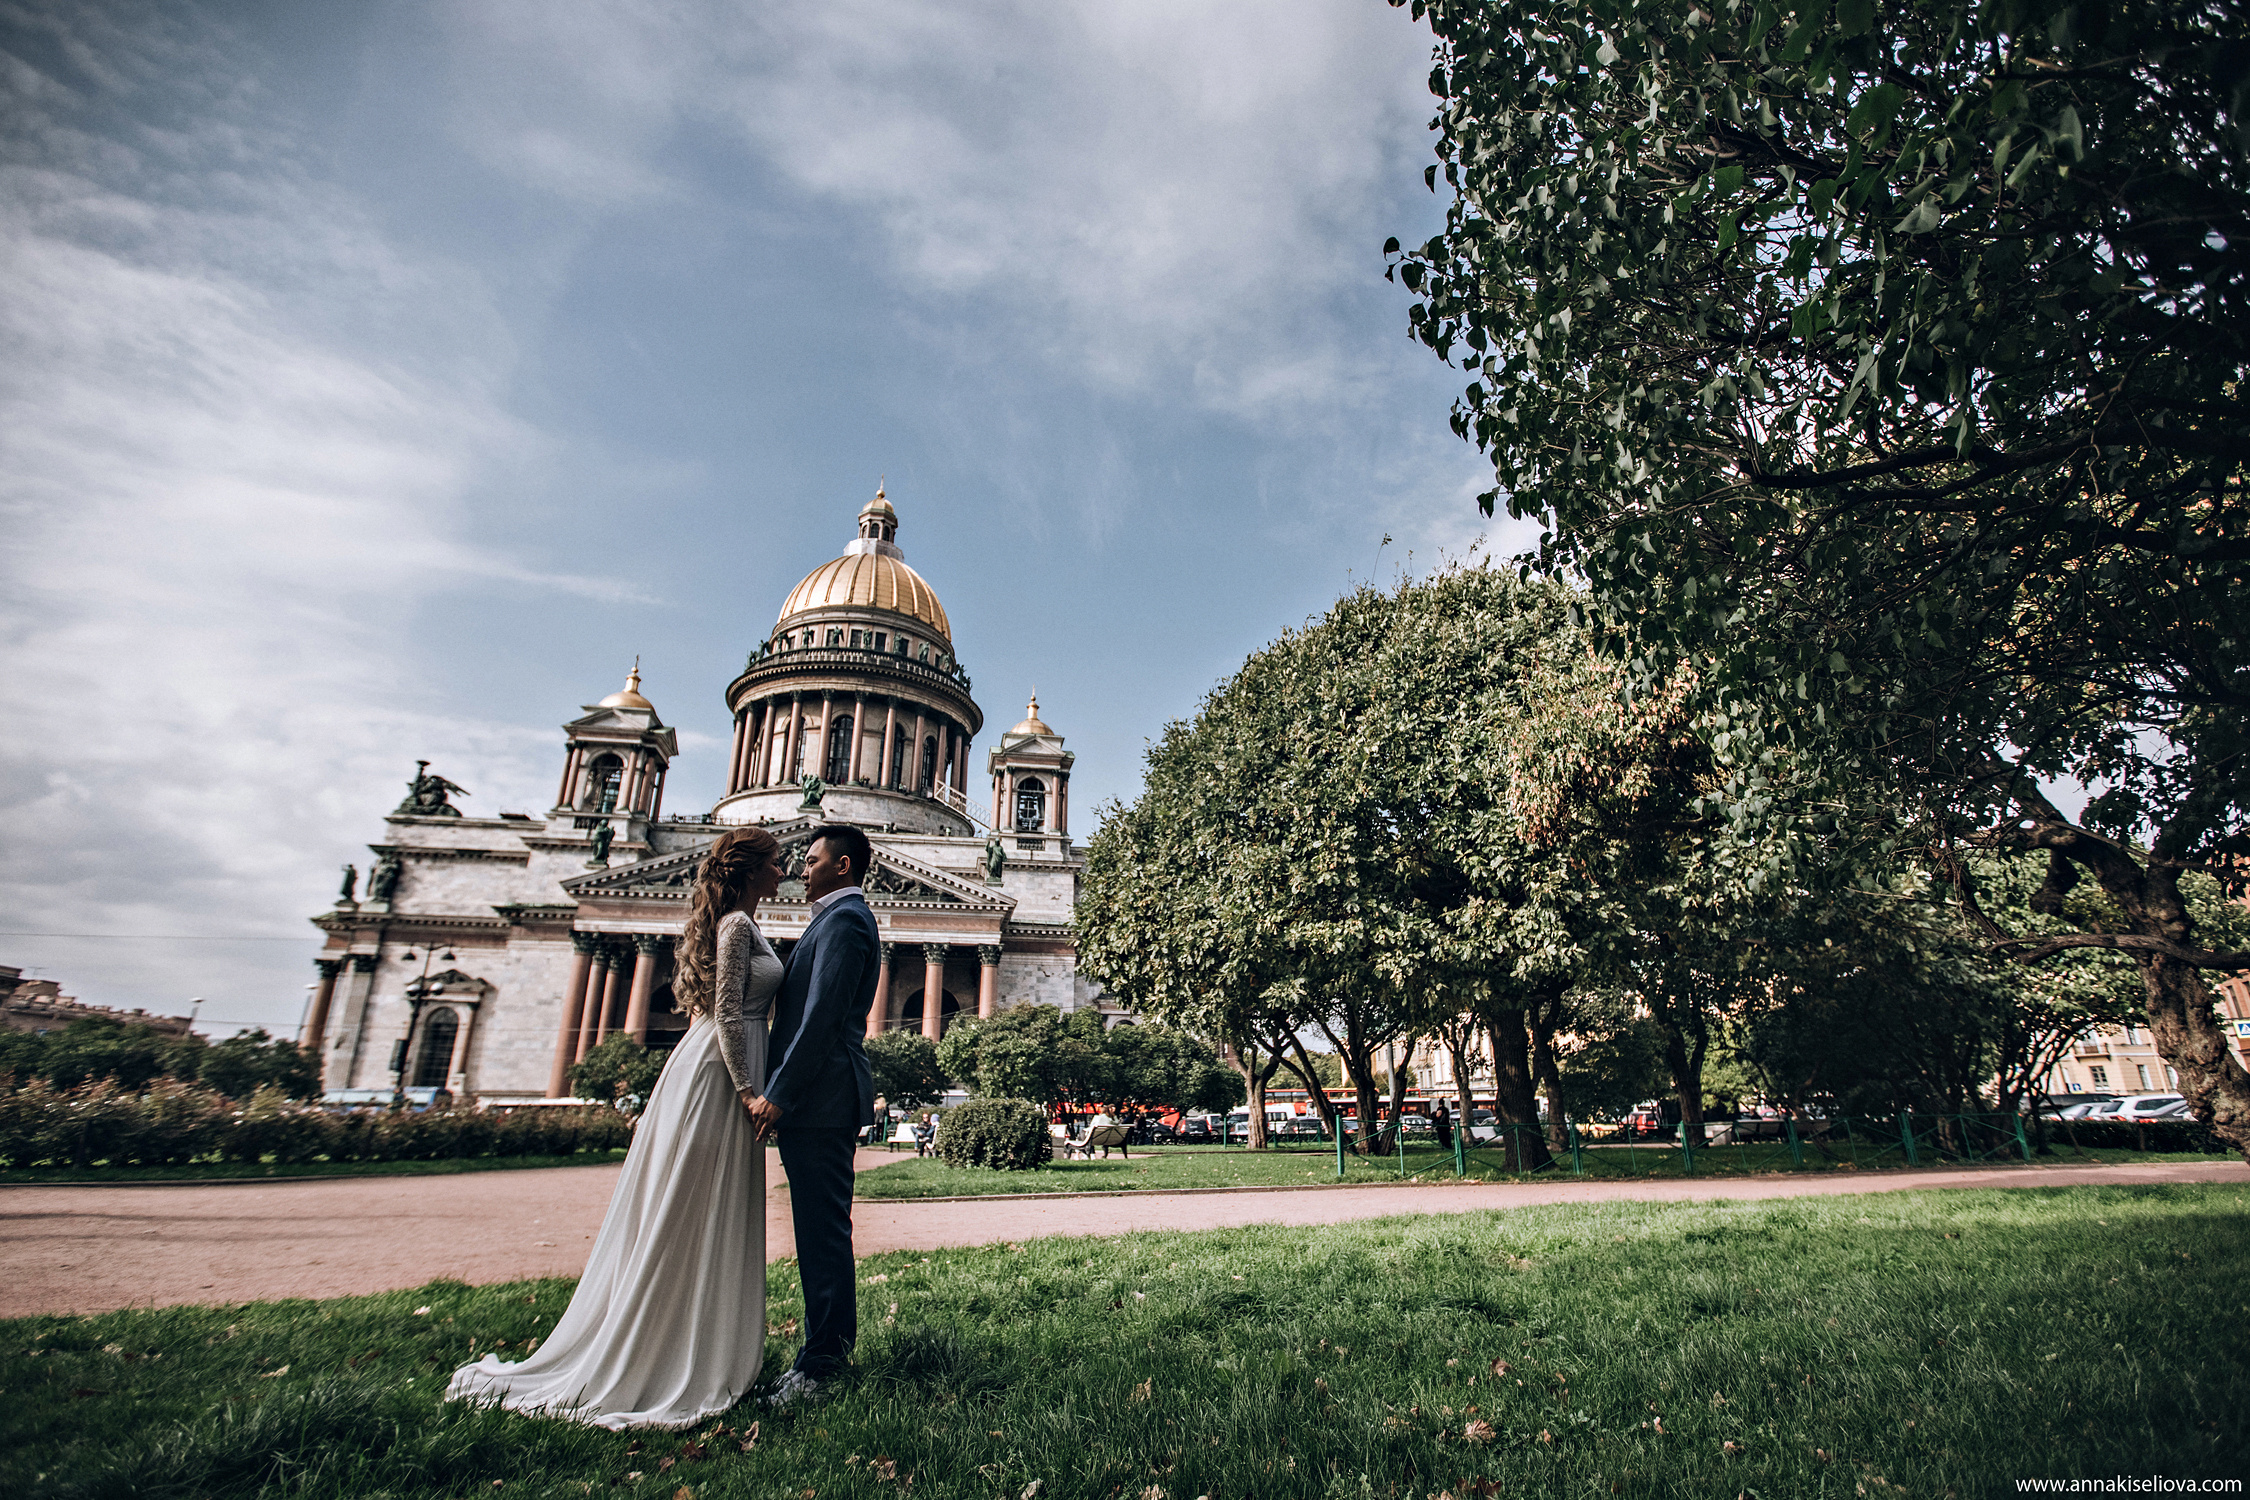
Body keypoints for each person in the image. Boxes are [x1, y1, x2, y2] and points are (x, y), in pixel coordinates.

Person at [446, 826, 784, 1429]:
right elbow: (727, 1013)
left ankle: (688, 1340)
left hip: (720, 1065)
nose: (785, 871)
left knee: (700, 1202)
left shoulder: (741, 922)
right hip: (719, 1074)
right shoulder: (736, 925)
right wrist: (748, 1091)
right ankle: (663, 1348)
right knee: (690, 1203)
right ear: (750, 870)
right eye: (776, 863)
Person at [749, 824, 880, 1409]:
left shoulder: (846, 920)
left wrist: (780, 1092)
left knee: (822, 1233)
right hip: (819, 1098)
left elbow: (822, 1017)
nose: (801, 870)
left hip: (822, 1097)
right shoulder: (832, 919)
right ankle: (819, 1355)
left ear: (842, 865)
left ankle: (823, 1366)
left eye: (811, 860)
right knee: (816, 1230)